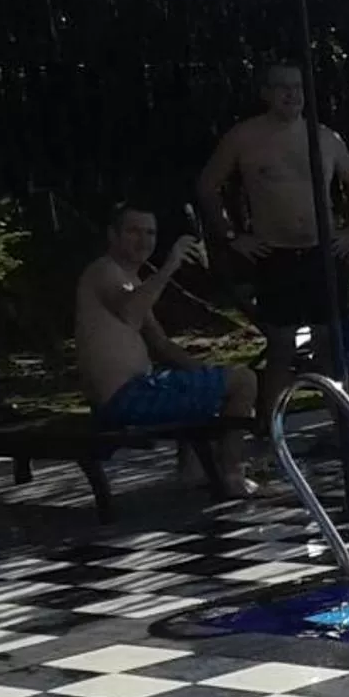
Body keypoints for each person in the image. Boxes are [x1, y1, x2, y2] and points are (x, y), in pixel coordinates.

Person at [196, 60, 349, 415]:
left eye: (297, 87)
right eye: (282, 87)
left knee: (328, 343)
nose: (291, 94)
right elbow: (207, 186)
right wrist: (232, 235)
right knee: (280, 345)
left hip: (321, 251)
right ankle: (271, 426)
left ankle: (344, 422)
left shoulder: (323, 137)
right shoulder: (244, 137)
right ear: (266, 94)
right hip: (275, 252)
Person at [73, 202, 256, 498]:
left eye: (150, 233)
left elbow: (160, 344)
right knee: (244, 381)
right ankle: (233, 476)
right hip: (126, 398)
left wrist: (207, 371)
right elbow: (130, 314)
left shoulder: (131, 281)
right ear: (112, 235)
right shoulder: (104, 272)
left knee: (213, 379)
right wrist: (171, 264)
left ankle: (193, 472)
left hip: (141, 389)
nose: (143, 240)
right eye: (133, 232)